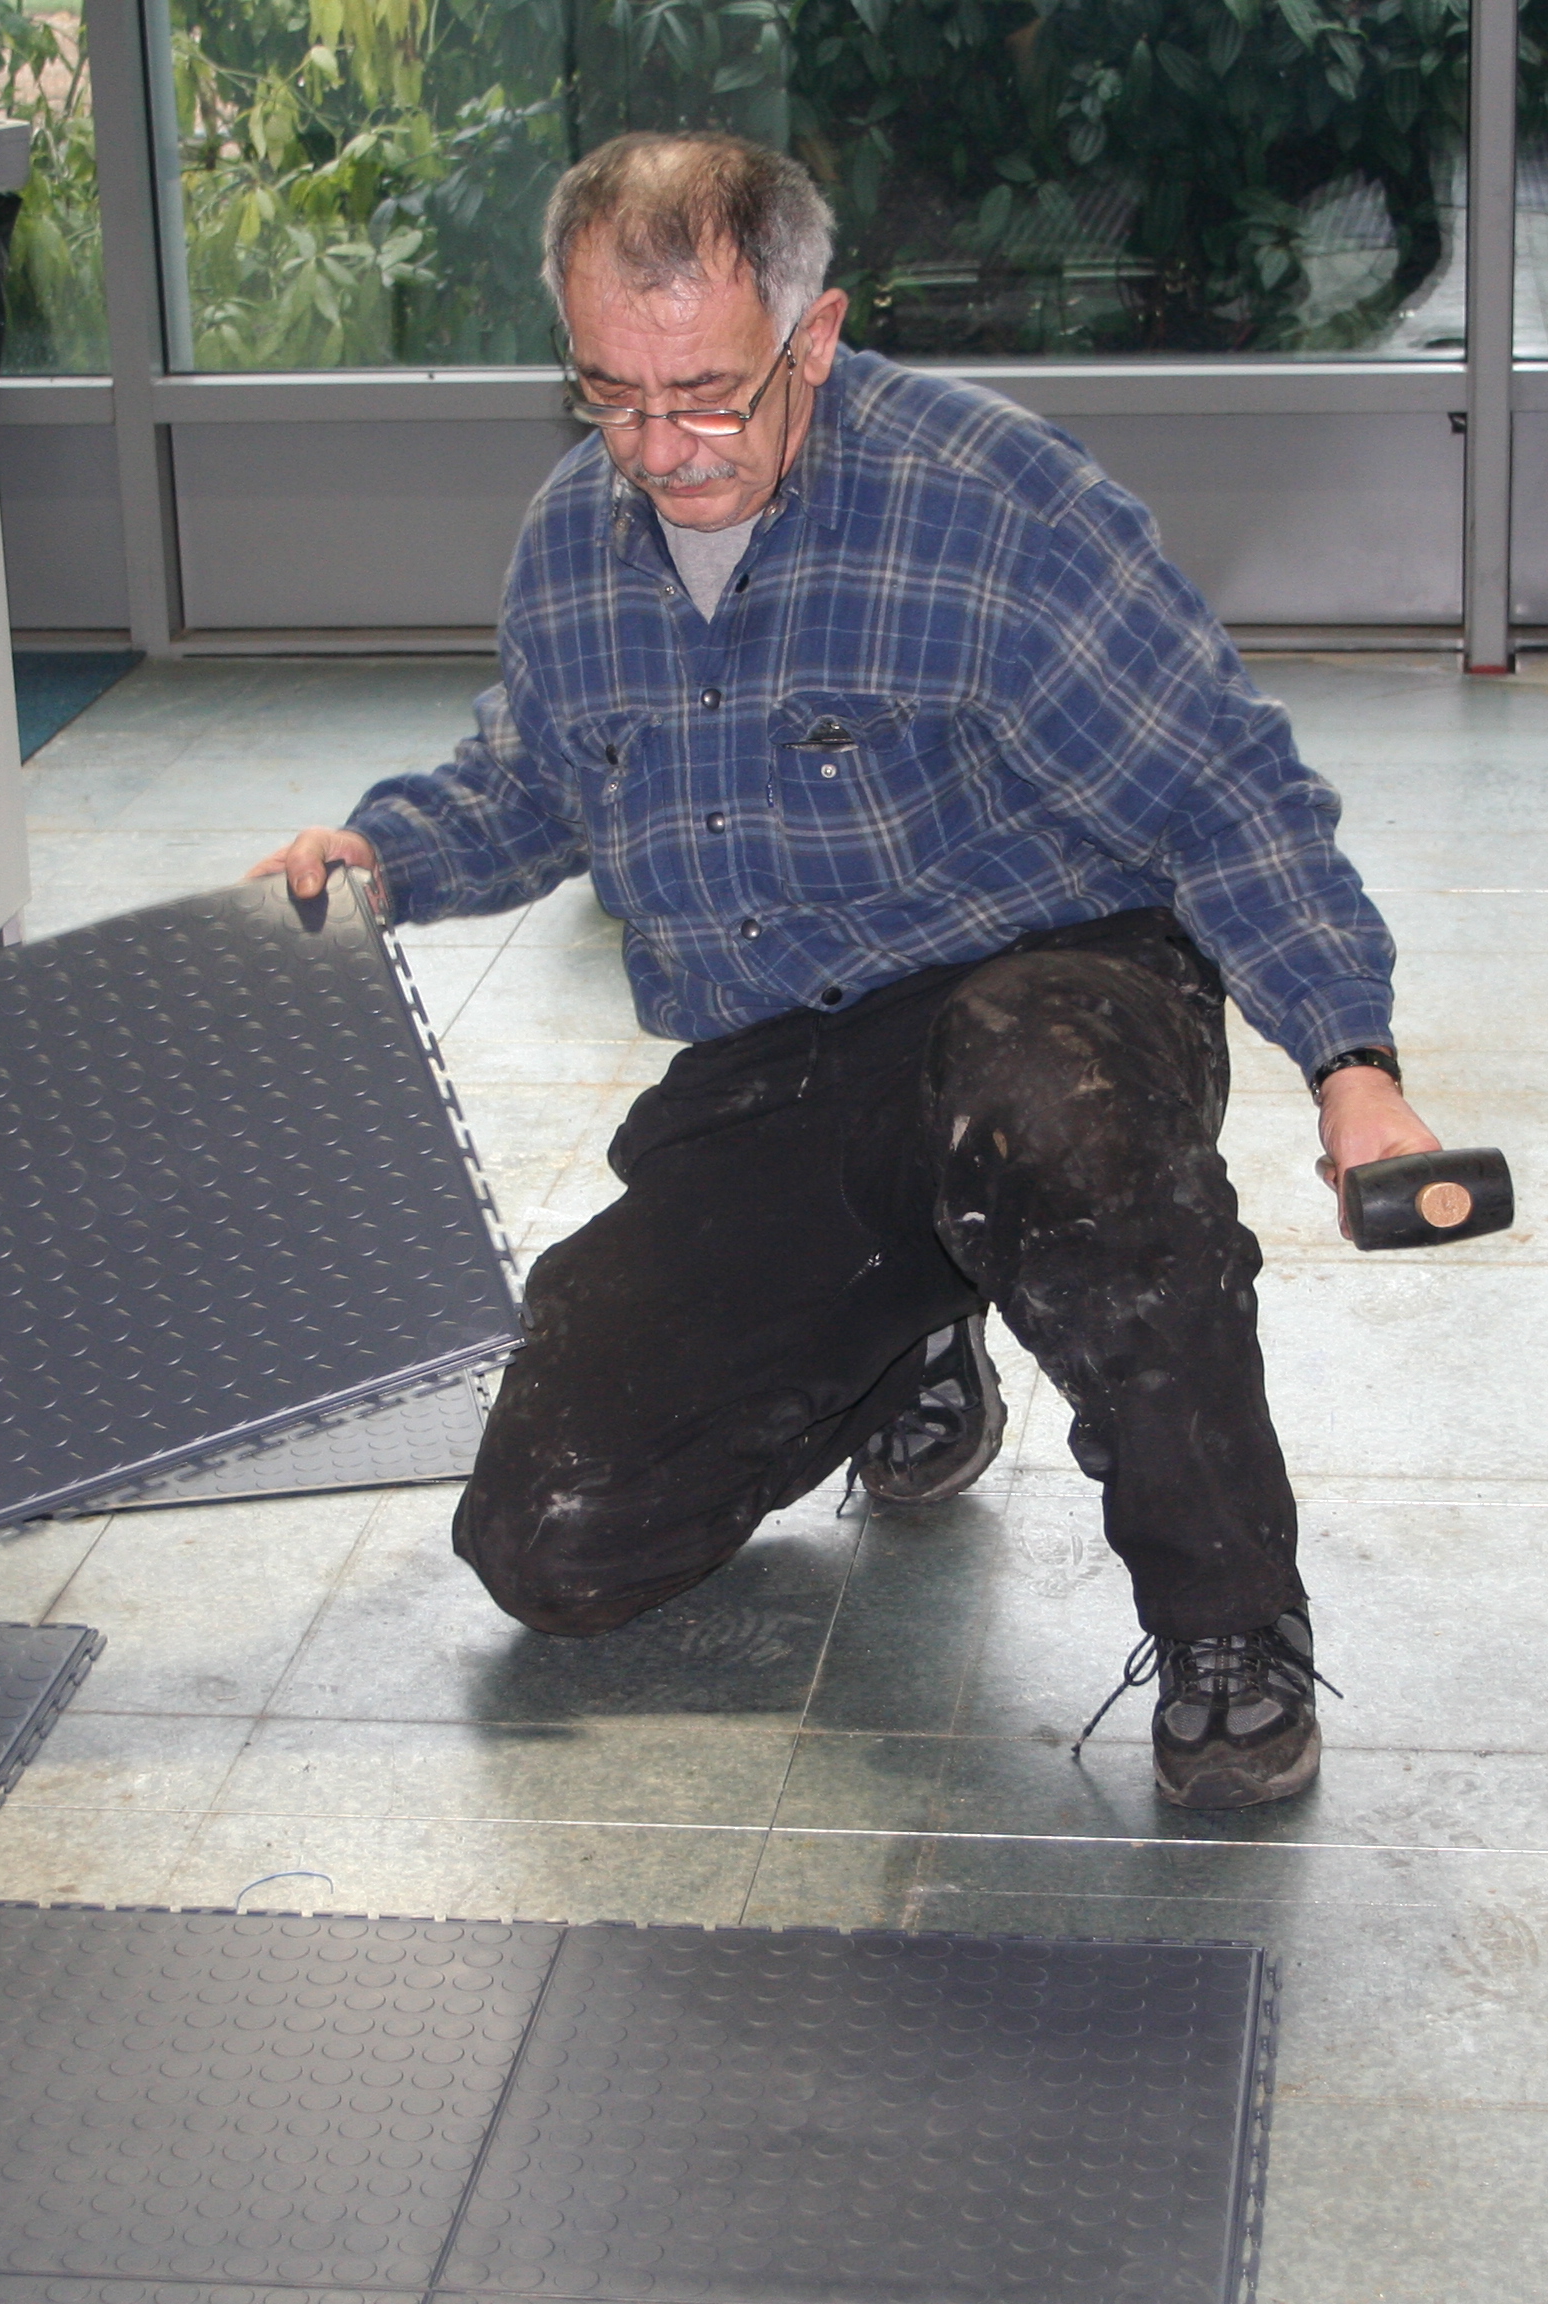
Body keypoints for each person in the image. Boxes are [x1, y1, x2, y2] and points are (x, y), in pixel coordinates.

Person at [252, 130, 1440, 1809]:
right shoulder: (575, 538)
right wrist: (380, 855)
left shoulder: (996, 505)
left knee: (1047, 1114)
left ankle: (1228, 1619)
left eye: (707, 396)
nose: (658, 450)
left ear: (813, 337)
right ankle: (906, 1319)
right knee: (553, 1539)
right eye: (609, 396)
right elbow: (532, 777)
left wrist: (1352, 1066)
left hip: (1052, 986)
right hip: (786, 1065)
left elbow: (1220, 791)